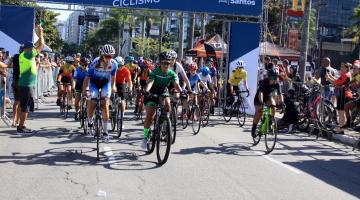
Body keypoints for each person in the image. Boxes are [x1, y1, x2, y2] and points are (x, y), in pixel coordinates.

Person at [141, 52, 183, 150]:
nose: (166, 65)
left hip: (163, 92)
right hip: (151, 93)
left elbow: (176, 84)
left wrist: (182, 91)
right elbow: (150, 82)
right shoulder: (155, 72)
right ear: (160, 63)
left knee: (168, 104)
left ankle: (163, 123)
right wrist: (147, 91)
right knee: (150, 116)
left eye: (168, 63)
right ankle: (145, 136)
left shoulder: (171, 73)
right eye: (164, 63)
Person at [82, 44, 117, 143]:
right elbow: (87, 78)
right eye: (107, 56)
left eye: (111, 56)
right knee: (92, 103)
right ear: (102, 55)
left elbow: (113, 77)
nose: (109, 58)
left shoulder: (114, 64)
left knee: (105, 104)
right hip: (94, 83)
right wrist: (85, 89)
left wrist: (113, 86)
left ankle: (105, 132)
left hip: (106, 83)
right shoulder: (95, 62)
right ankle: (90, 120)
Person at [17, 25, 44, 134]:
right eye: (32, 47)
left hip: (25, 84)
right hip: (27, 85)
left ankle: (22, 125)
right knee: (25, 107)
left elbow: (37, 47)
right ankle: (21, 127)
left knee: (25, 105)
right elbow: (41, 46)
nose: (33, 49)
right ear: (28, 49)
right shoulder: (28, 55)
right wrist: (41, 33)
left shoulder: (23, 55)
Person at [251, 67, 283, 137]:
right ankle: (254, 128)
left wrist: (282, 103)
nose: (274, 79)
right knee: (259, 112)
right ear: (268, 77)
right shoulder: (263, 82)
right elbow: (261, 93)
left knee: (273, 106)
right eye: (272, 77)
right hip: (259, 97)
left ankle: (270, 121)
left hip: (268, 96)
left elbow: (280, 94)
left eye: (276, 77)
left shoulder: (277, 84)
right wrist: (262, 103)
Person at [326, 62, 352, 134]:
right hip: (343, 95)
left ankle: (341, 129)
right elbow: (337, 81)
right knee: (341, 113)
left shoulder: (346, 75)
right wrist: (330, 76)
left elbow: (336, 83)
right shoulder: (346, 74)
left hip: (343, 95)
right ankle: (341, 128)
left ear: (346, 68)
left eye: (342, 67)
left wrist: (328, 78)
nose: (341, 68)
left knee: (341, 113)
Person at [9, 45, 24, 127]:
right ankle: (18, 120)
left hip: (15, 80)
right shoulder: (26, 58)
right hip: (22, 81)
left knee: (16, 102)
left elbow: (8, 65)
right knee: (20, 102)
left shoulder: (14, 56)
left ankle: (14, 121)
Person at [114, 56, 132, 123]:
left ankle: (121, 116)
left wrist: (130, 89)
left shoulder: (126, 70)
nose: (119, 67)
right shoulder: (112, 69)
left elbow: (129, 81)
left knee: (122, 100)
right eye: (118, 65)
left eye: (121, 65)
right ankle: (111, 106)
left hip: (121, 83)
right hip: (113, 82)